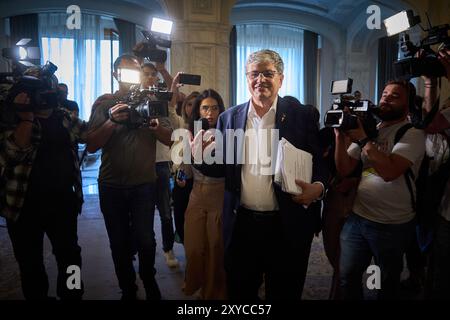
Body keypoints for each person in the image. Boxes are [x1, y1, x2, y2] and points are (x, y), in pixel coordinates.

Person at [208, 49, 327, 299]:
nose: (260, 79)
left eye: (268, 73)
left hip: (286, 224)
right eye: (254, 74)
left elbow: (320, 161)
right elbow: (219, 169)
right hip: (242, 225)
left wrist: (318, 187)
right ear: (246, 78)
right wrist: (199, 156)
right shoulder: (228, 118)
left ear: (280, 79)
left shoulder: (301, 115)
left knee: (285, 292)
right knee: (240, 293)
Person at [86, 54, 172, 300]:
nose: (132, 77)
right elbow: (91, 144)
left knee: (146, 239)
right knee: (119, 242)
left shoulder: (153, 102)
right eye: (125, 72)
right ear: (115, 74)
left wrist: (156, 127)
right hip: (111, 185)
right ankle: (128, 288)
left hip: (144, 183)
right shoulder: (104, 103)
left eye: (136, 71)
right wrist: (112, 121)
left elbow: (169, 138)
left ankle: (149, 278)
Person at [0, 68, 87, 300]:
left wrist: (108, 113)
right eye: (38, 91)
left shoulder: (63, 116)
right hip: (22, 206)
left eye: (50, 89)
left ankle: (73, 294)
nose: (45, 96)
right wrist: (26, 116)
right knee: (30, 263)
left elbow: (90, 134)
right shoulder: (10, 116)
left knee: (71, 257)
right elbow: (13, 152)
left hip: (62, 202)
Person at [334, 80, 426, 300]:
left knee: (382, 284)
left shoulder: (411, 133)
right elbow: (345, 168)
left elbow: (389, 172)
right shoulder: (373, 130)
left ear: (408, 103)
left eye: (395, 96)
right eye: (384, 94)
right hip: (358, 218)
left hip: (392, 225)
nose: (386, 98)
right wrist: (339, 137)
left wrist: (363, 139)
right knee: (348, 276)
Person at [182, 88, 227, 299]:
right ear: (198, 111)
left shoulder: (228, 133)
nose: (210, 113)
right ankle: (196, 286)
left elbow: (223, 169)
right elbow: (185, 172)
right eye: (205, 108)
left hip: (219, 195)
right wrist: (183, 168)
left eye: (215, 108)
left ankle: (211, 294)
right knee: (193, 249)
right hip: (196, 195)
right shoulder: (191, 132)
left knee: (215, 251)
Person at [140, 62, 179, 268]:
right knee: (142, 213)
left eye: (152, 74)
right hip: (140, 163)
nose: (149, 77)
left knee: (165, 212)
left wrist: (163, 68)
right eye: (145, 74)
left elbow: (175, 93)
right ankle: (145, 252)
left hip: (161, 162)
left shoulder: (161, 99)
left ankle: (168, 249)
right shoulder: (131, 100)